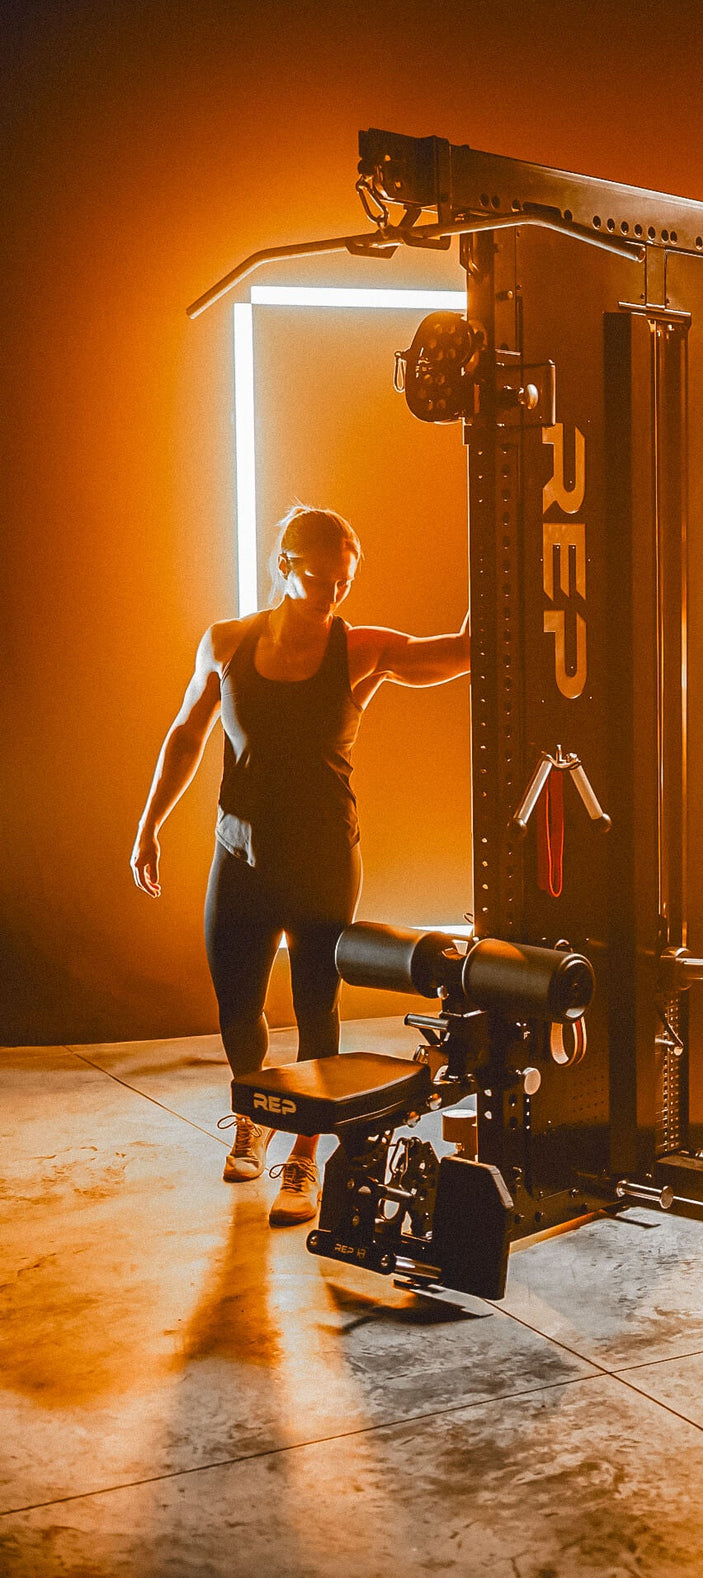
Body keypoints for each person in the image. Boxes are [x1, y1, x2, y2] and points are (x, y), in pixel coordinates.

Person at [131, 505, 470, 1225]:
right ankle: (253, 1117)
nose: (333, 593)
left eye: (345, 580)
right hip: (242, 853)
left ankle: (303, 1161)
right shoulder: (225, 644)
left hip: (322, 858)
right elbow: (186, 735)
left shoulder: (360, 649)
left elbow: (457, 652)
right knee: (239, 1008)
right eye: (320, 576)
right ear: (284, 564)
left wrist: (499, 569)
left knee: (318, 1010)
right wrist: (148, 825)